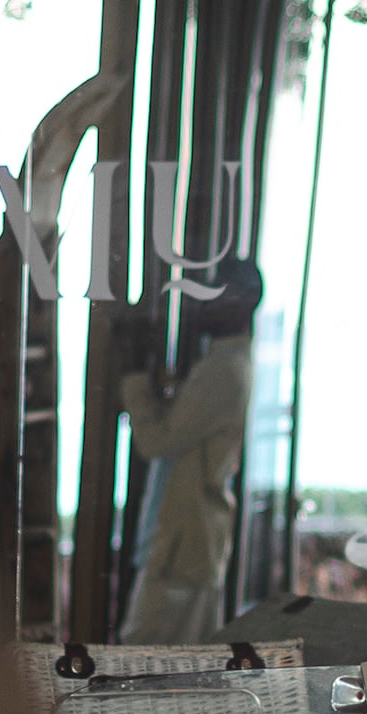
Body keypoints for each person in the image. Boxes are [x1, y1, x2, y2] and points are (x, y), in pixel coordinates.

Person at [117, 259, 261, 644]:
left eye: (217, 295)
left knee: (141, 663)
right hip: (189, 544)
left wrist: (133, 379)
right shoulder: (223, 364)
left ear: (243, 304)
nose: (204, 304)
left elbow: (157, 442)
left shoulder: (223, 369)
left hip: (182, 551)